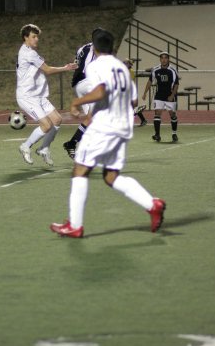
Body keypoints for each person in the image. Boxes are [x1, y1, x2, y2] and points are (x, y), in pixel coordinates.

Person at [50, 29, 166, 238]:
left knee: (79, 170)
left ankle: (75, 225)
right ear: (112, 47)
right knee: (111, 176)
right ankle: (152, 204)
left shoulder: (96, 66)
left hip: (105, 126)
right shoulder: (121, 68)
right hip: (122, 127)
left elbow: (101, 91)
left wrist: (77, 102)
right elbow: (133, 101)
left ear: (94, 47)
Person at [16, 24, 76, 167]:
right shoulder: (28, 53)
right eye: (33, 36)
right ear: (26, 38)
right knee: (46, 125)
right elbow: (47, 70)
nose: (37, 39)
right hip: (27, 96)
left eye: (37, 37)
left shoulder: (29, 51)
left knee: (56, 119)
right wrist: (66, 68)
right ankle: (25, 146)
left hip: (38, 96)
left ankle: (44, 148)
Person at [62, 27, 104, 159]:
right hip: (87, 82)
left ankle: (72, 143)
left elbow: (77, 63)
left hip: (78, 85)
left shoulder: (83, 48)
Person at [142, 51, 179, 143]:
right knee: (157, 113)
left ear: (168, 59)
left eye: (165, 58)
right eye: (162, 58)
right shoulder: (155, 69)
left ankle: (174, 133)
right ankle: (157, 135)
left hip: (169, 96)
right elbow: (150, 81)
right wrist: (145, 93)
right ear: (160, 59)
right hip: (159, 95)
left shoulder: (173, 70)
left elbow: (176, 84)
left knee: (172, 115)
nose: (164, 60)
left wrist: (172, 95)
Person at [123, 59, 148, 126]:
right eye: (124, 63)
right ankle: (143, 119)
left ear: (129, 65)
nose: (124, 64)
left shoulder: (130, 71)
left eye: (126, 63)